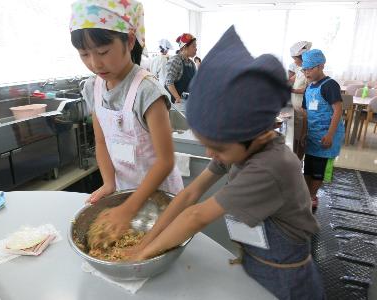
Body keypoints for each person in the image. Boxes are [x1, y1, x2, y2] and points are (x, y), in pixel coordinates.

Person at [125, 26, 325, 300]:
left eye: (216, 147)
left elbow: (196, 216)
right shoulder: (240, 146)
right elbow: (189, 194)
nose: (209, 154)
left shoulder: (270, 166)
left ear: (254, 135)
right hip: (255, 262)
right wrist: (148, 239)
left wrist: (140, 256)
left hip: (286, 280)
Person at [70, 0, 183, 239]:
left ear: (129, 41)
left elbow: (165, 161)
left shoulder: (147, 92)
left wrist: (131, 207)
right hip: (124, 192)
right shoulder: (93, 88)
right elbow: (101, 142)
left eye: (102, 52)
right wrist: (109, 183)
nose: (94, 63)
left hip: (161, 197)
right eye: (84, 54)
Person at [301, 49, 344, 211]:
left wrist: (330, 134)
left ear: (321, 66)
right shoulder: (309, 87)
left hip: (326, 135)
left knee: (318, 169)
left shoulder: (330, 85)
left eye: (310, 68)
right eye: (304, 69)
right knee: (308, 166)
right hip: (313, 135)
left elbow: (338, 111)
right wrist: (304, 133)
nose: (306, 72)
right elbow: (305, 112)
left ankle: (312, 196)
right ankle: (306, 194)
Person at [290, 41, 312, 159]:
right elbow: (291, 80)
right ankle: (294, 161)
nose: (294, 61)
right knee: (295, 137)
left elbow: (307, 89)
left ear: (302, 58)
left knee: (301, 138)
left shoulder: (308, 70)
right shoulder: (299, 69)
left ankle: (299, 161)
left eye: (295, 59)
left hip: (303, 109)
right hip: (295, 107)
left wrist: (291, 90)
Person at [164, 33, 197, 103]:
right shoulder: (176, 61)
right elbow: (169, 82)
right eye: (193, 46)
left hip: (185, 101)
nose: (196, 49)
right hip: (174, 103)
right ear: (185, 48)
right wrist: (178, 98)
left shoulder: (191, 64)